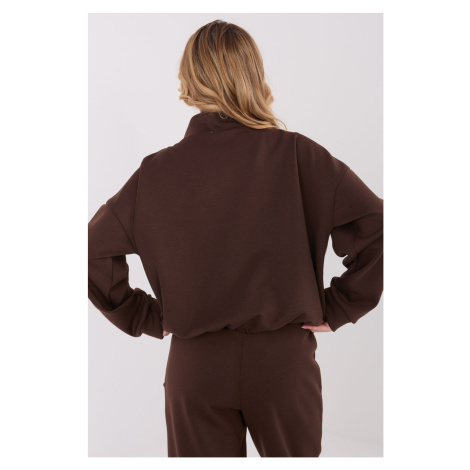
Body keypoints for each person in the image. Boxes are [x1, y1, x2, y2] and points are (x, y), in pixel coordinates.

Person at [88, 19, 383, 458]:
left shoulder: (156, 172)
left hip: (196, 368)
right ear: (254, 75)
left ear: (189, 81)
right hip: (283, 364)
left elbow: (91, 250)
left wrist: (147, 316)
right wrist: (339, 305)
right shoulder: (298, 155)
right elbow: (378, 225)